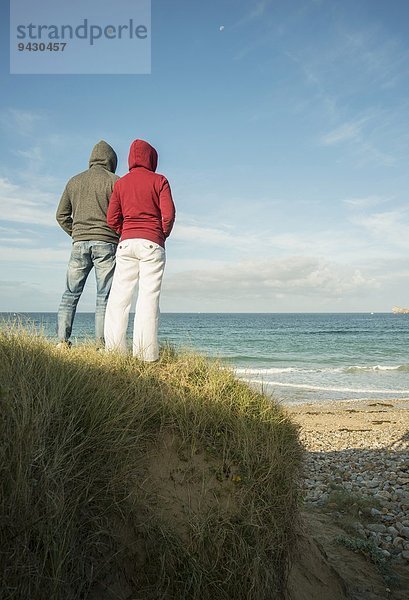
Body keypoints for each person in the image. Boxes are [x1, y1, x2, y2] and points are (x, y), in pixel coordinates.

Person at [104, 139, 175, 362]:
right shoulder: (160, 180)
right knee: (148, 298)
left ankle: (114, 352)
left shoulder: (121, 184)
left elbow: (111, 218)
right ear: (152, 158)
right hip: (152, 243)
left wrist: (124, 231)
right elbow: (169, 215)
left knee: (118, 298)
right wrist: (161, 234)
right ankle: (145, 356)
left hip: (126, 243)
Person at [56, 140, 119, 347]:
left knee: (70, 294)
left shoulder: (74, 181)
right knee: (104, 297)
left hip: (79, 244)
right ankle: (101, 346)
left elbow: (61, 215)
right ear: (111, 160)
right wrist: (115, 235)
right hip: (106, 244)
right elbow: (122, 217)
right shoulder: (115, 181)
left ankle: (61, 342)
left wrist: (77, 233)